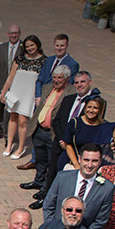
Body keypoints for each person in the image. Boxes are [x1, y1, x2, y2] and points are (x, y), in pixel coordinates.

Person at [25, 66, 75, 208]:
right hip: (39, 129)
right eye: (54, 77)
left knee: (50, 162)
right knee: (40, 158)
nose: (56, 80)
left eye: (59, 77)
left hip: (53, 133)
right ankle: (38, 181)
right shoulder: (47, 88)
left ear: (66, 78)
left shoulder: (71, 93)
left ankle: (45, 189)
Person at [42, 144, 115, 229]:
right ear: (79, 159)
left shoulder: (107, 188)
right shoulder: (62, 177)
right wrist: (51, 228)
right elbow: (48, 205)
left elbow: (101, 220)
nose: (89, 165)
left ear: (100, 161)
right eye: (86, 160)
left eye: (94, 161)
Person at [0, 35, 46, 160]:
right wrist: (3, 92)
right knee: (12, 117)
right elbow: (10, 77)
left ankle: (21, 147)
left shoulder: (44, 61)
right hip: (16, 92)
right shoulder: (19, 59)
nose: (30, 48)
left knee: (23, 121)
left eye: (32, 45)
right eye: (27, 46)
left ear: (37, 44)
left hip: (29, 95)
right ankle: (9, 145)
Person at [0, 24, 20, 143]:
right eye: (11, 33)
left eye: (16, 33)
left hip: (15, 85)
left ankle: (8, 135)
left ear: (19, 34)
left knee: (10, 112)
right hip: (0, 83)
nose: (14, 35)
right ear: (8, 34)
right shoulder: (1, 47)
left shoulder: (23, 49)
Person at [61, 96, 111, 170]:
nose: (91, 110)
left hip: (93, 165)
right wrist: (77, 165)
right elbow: (68, 145)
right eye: (89, 107)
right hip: (73, 162)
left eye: (95, 108)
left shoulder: (104, 126)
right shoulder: (75, 123)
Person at [34, 33, 79, 105]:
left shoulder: (72, 64)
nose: (59, 48)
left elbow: (67, 85)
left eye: (62, 46)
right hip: (41, 98)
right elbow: (40, 80)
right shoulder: (48, 60)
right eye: (57, 45)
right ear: (53, 45)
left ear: (67, 46)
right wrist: (38, 96)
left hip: (54, 100)